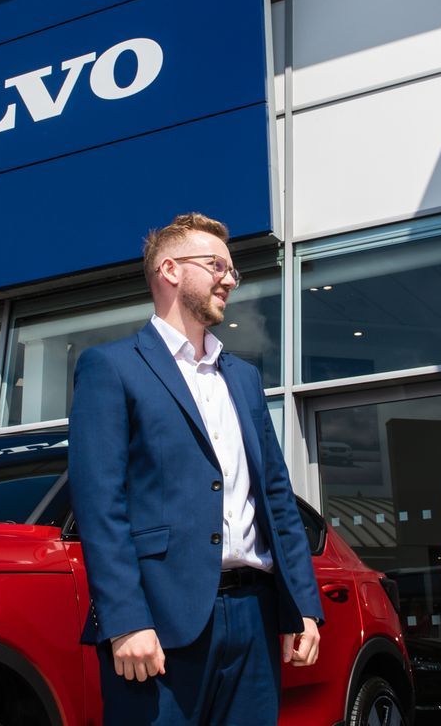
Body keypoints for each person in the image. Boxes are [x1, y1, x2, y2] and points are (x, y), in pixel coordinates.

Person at [70, 212, 323, 725]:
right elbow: (101, 506)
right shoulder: (113, 367)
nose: (230, 279)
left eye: (232, 270)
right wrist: (125, 622)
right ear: (170, 270)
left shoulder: (244, 377)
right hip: (159, 627)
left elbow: (275, 494)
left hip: (254, 619)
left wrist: (304, 606)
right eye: (216, 265)